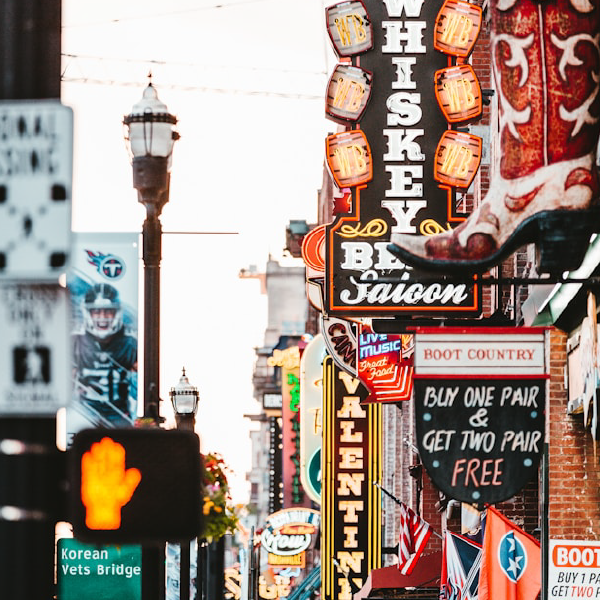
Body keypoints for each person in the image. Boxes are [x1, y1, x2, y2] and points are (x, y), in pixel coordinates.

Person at [72, 283, 137, 424]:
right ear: (88, 313)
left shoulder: (130, 344)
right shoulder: (75, 343)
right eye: (96, 312)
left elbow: (140, 384)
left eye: (108, 311)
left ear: (117, 313)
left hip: (120, 416)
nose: (103, 317)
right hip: (85, 415)